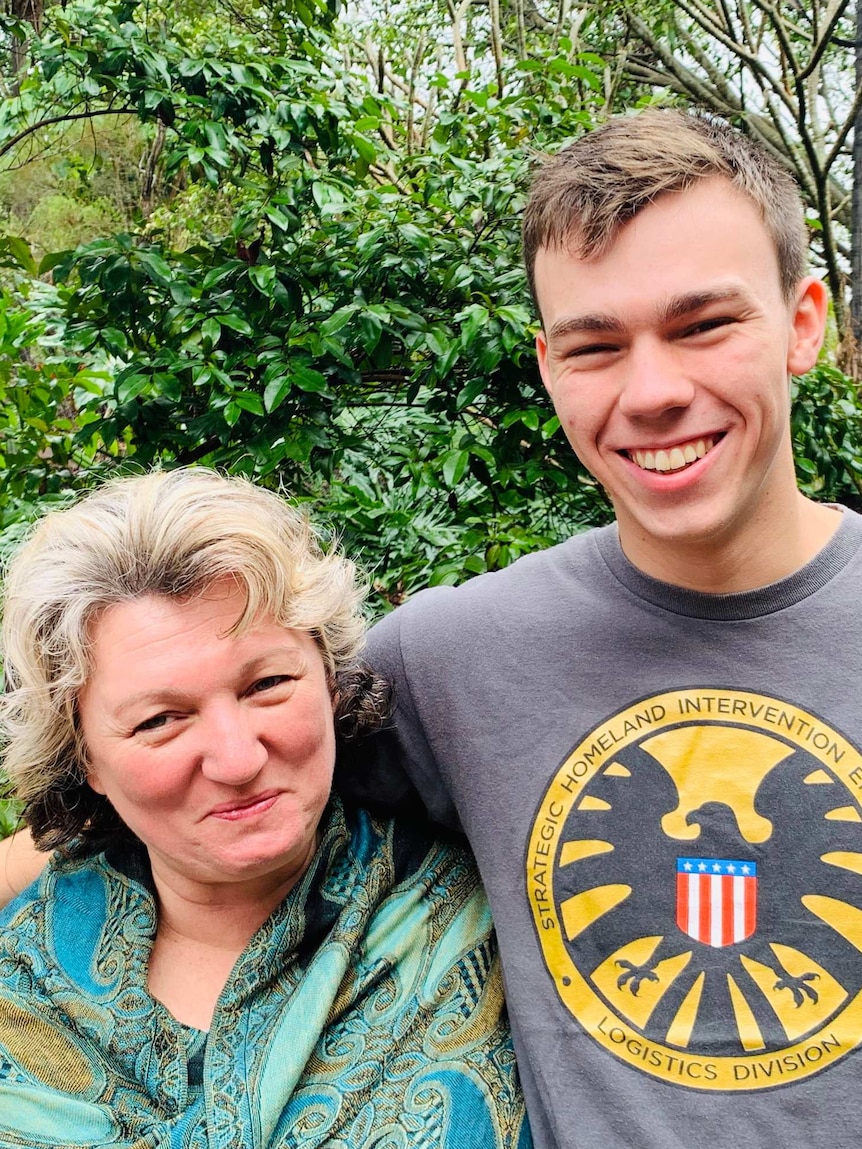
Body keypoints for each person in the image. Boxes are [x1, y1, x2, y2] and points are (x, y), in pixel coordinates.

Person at [3, 105, 861, 1146]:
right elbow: (210, 776)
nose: (653, 392)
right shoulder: (456, 658)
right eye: (595, 344)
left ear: (807, 320)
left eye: (703, 325)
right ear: (547, 364)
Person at [0, 468, 530, 1148]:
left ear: (331, 678)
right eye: (161, 719)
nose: (237, 757)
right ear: (86, 760)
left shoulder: (484, 913)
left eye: (268, 683)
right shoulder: (23, 979)